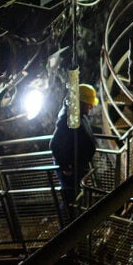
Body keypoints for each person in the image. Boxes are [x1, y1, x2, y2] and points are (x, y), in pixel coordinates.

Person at [50, 83, 98, 220]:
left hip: (77, 165)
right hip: (70, 170)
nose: (92, 106)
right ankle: (68, 232)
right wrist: (65, 166)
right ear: (81, 103)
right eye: (89, 104)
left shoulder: (78, 114)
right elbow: (54, 144)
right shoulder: (68, 119)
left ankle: (75, 225)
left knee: (77, 198)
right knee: (70, 201)